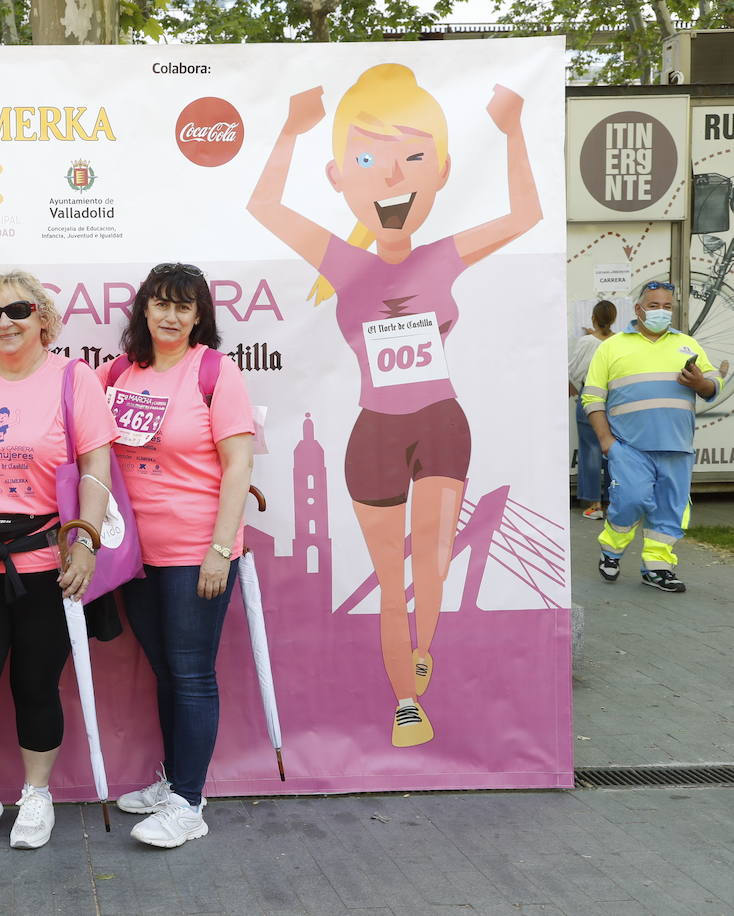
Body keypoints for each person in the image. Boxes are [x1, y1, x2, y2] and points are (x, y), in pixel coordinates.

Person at [246, 64, 541, 747]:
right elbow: (264, 208)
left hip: (440, 425)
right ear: (338, 178)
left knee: (431, 563)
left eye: (411, 158)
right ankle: (407, 701)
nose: (390, 177)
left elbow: (526, 215)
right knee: (388, 579)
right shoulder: (343, 264)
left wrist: (513, 127)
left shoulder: (444, 255)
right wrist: (289, 130)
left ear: (439, 171)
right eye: (368, 159)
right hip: (374, 433)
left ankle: (423, 644)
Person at [0, 269, 114, 853]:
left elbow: (95, 467)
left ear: (42, 316)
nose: (3, 323)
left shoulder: (72, 378)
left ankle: (37, 796)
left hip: (47, 564)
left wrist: (84, 541)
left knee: (37, 686)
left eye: (15, 310)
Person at [98, 263, 254, 848]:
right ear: (143, 309)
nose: (169, 316)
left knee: (190, 674)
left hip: (197, 551)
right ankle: (175, 785)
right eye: (160, 304)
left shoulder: (215, 372)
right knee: (165, 670)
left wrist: (220, 549)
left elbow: (238, 464)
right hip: (136, 554)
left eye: (183, 307)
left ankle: (189, 803)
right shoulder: (117, 372)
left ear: (198, 317)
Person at [584, 281, 723, 593]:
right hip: (629, 447)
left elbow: (713, 384)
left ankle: (657, 568)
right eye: (654, 305)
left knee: (670, 509)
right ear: (638, 309)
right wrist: (607, 442)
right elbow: (592, 398)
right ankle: (612, 550)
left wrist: (702, 383)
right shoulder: (611, 347)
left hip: (677, 447)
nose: (662, 312)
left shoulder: (688, 344)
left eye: (667, 307)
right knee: (630, 500)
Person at [569, 300, 617, 520]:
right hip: (615, 399)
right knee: (613, 451)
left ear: (593, 319)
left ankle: (594, 504)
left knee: (590, 450)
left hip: (590, 396)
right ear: (615, 319)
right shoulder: (619, 341)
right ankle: (612, 501)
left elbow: (574, 370)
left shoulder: (587, 342)